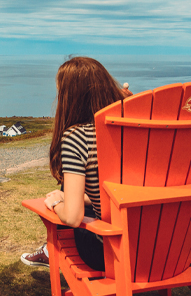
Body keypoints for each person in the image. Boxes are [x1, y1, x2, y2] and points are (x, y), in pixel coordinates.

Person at [20, 57, 125, 271]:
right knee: (67, 190)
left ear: (71, 98)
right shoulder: (135, 130)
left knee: (62, 193)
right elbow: (116, 194)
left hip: (107, 252)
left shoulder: (78, 136)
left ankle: (51, 250)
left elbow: (73, 218)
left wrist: (57, 204)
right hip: (163, 250)